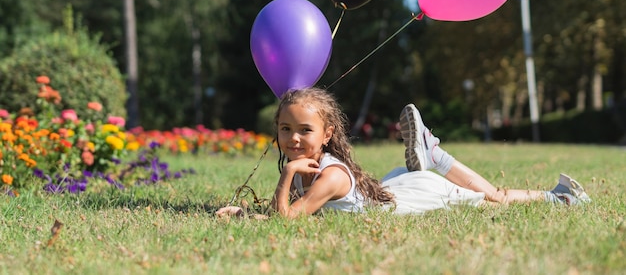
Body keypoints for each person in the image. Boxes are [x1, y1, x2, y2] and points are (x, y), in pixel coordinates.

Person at [216, 87, 590, 219]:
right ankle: (431, 156)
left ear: (328, 134)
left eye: (305, 130)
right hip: (393, 189)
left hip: (415, 198)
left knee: (494, 199)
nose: (293, 138)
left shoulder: (328, 175)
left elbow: (288, 220)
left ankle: (562, 199)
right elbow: (293, 211)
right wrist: (245, 213)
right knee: (490, 196)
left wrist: (284, 176)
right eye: (285, 129)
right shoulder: (307, 167)